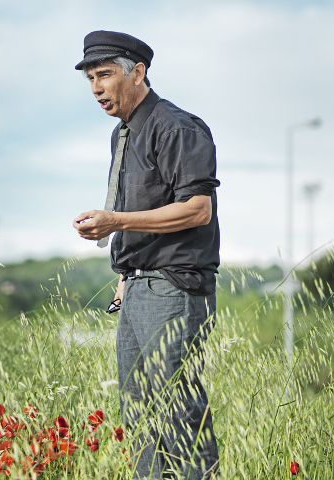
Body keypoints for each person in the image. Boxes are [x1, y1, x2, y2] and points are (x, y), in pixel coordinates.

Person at [72, 31, 221, 479]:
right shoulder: (123, 135)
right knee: (140, 421)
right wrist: (124, 278)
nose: (96, 87)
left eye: (104, 75)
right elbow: (141, 209)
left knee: (178, 417)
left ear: (137, 72)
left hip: (173, 288)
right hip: (137, 287)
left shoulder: (177, 127)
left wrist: (114, 222)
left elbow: (198, 209)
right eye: (90, 78)